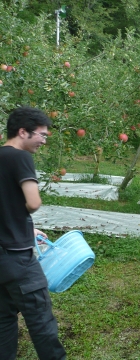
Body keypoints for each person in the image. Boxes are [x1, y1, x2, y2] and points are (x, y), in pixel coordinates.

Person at [0, 106, 66, 359]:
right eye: (41, 134)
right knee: (41, 322)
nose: (43, 140)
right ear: (22, 132)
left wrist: (24, 225)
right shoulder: (21, 158)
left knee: (4, 321)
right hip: (19, 261)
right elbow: (33, 202)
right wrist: (25, 216)